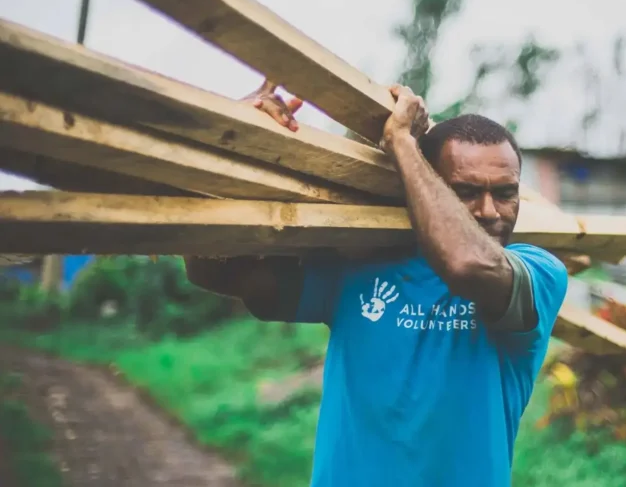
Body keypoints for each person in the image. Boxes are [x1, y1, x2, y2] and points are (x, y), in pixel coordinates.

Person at [183, 79, 569, 487]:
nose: (490, 211)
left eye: (505, 193)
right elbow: (211, 270)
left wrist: (400, 141)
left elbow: (467, 265)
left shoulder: (538, 274)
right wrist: (227, 140)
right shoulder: (358, 267)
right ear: (420, 184)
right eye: (465, 192)